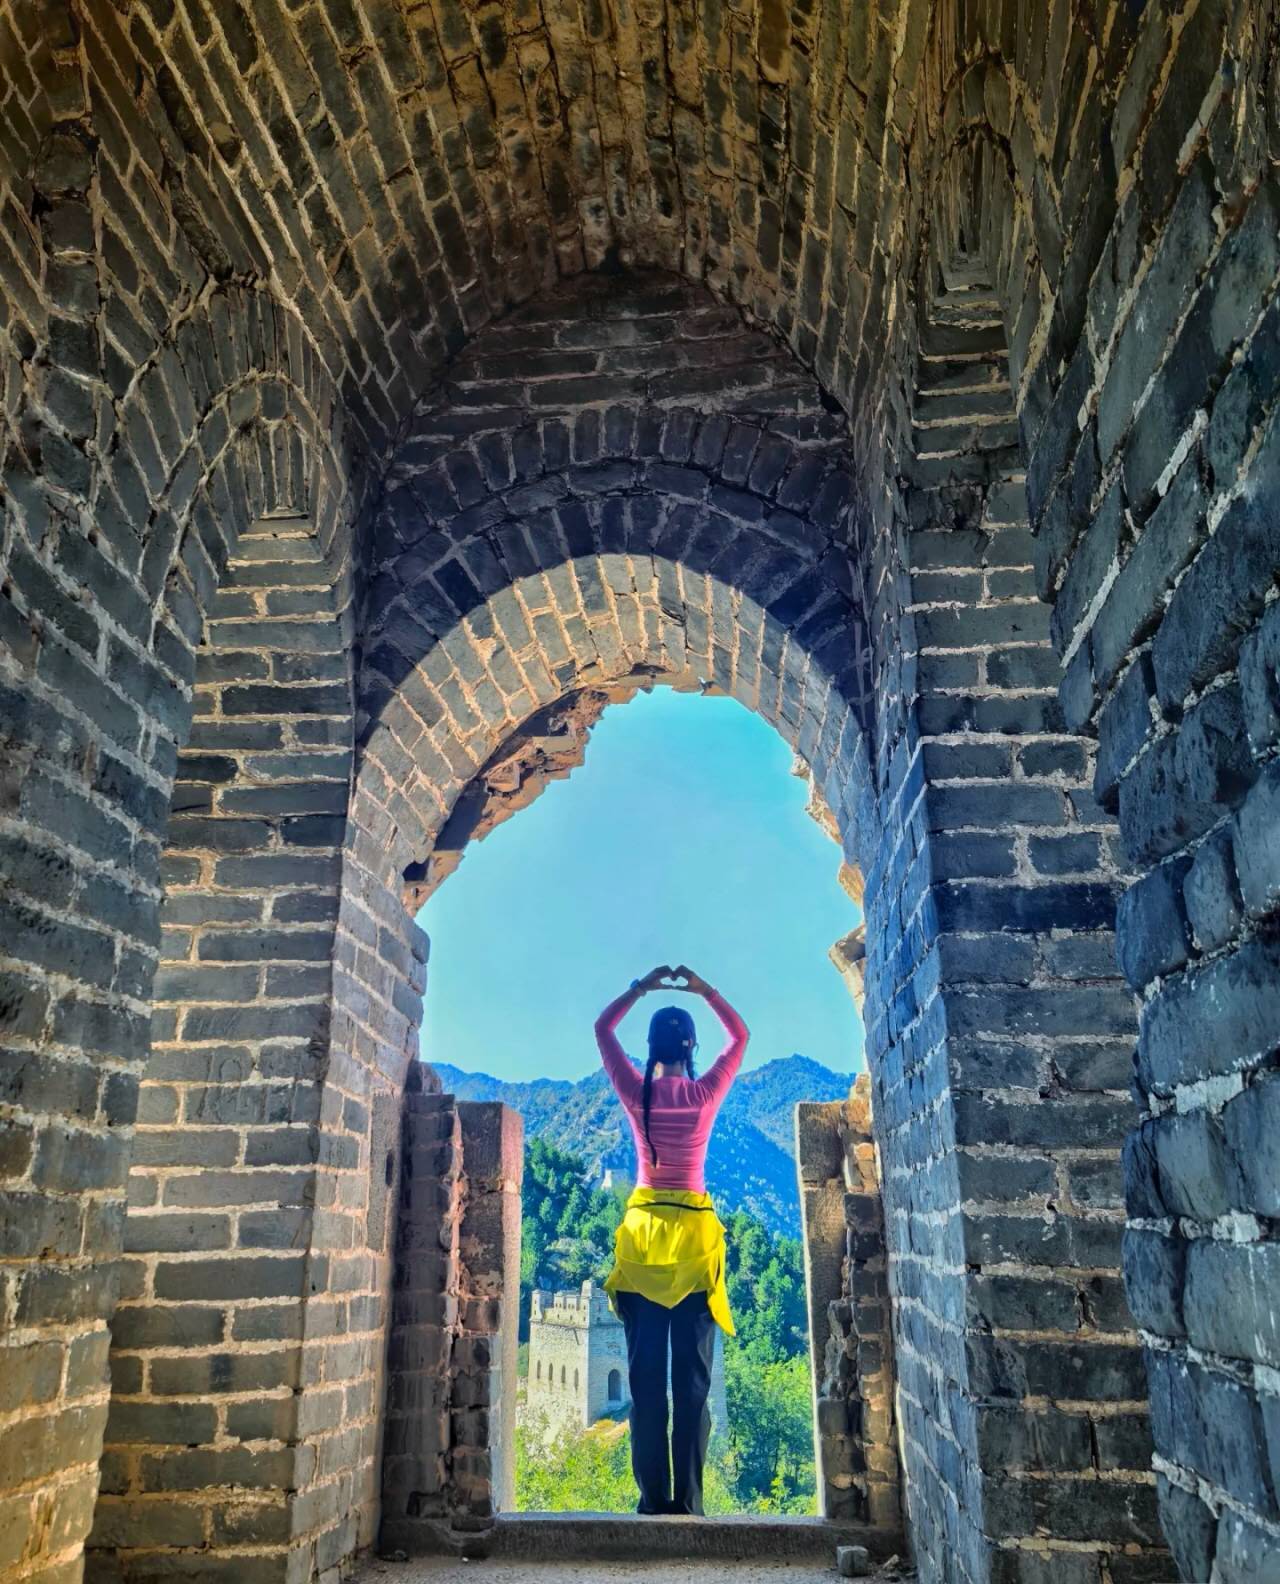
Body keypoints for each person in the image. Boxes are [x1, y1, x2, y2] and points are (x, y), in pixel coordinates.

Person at [595, 963, 749, 1516]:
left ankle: (652, 1502)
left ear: (651, 1049)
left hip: (641, 1249)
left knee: (645, 1385)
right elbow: (740, 1037)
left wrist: (641, 987)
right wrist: (705, 990)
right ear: (690, 1048)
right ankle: (688, 1504)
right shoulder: (704, 1095)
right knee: (691, 1387)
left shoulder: (637, 1095)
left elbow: (602, 1029)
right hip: (693, 1252)